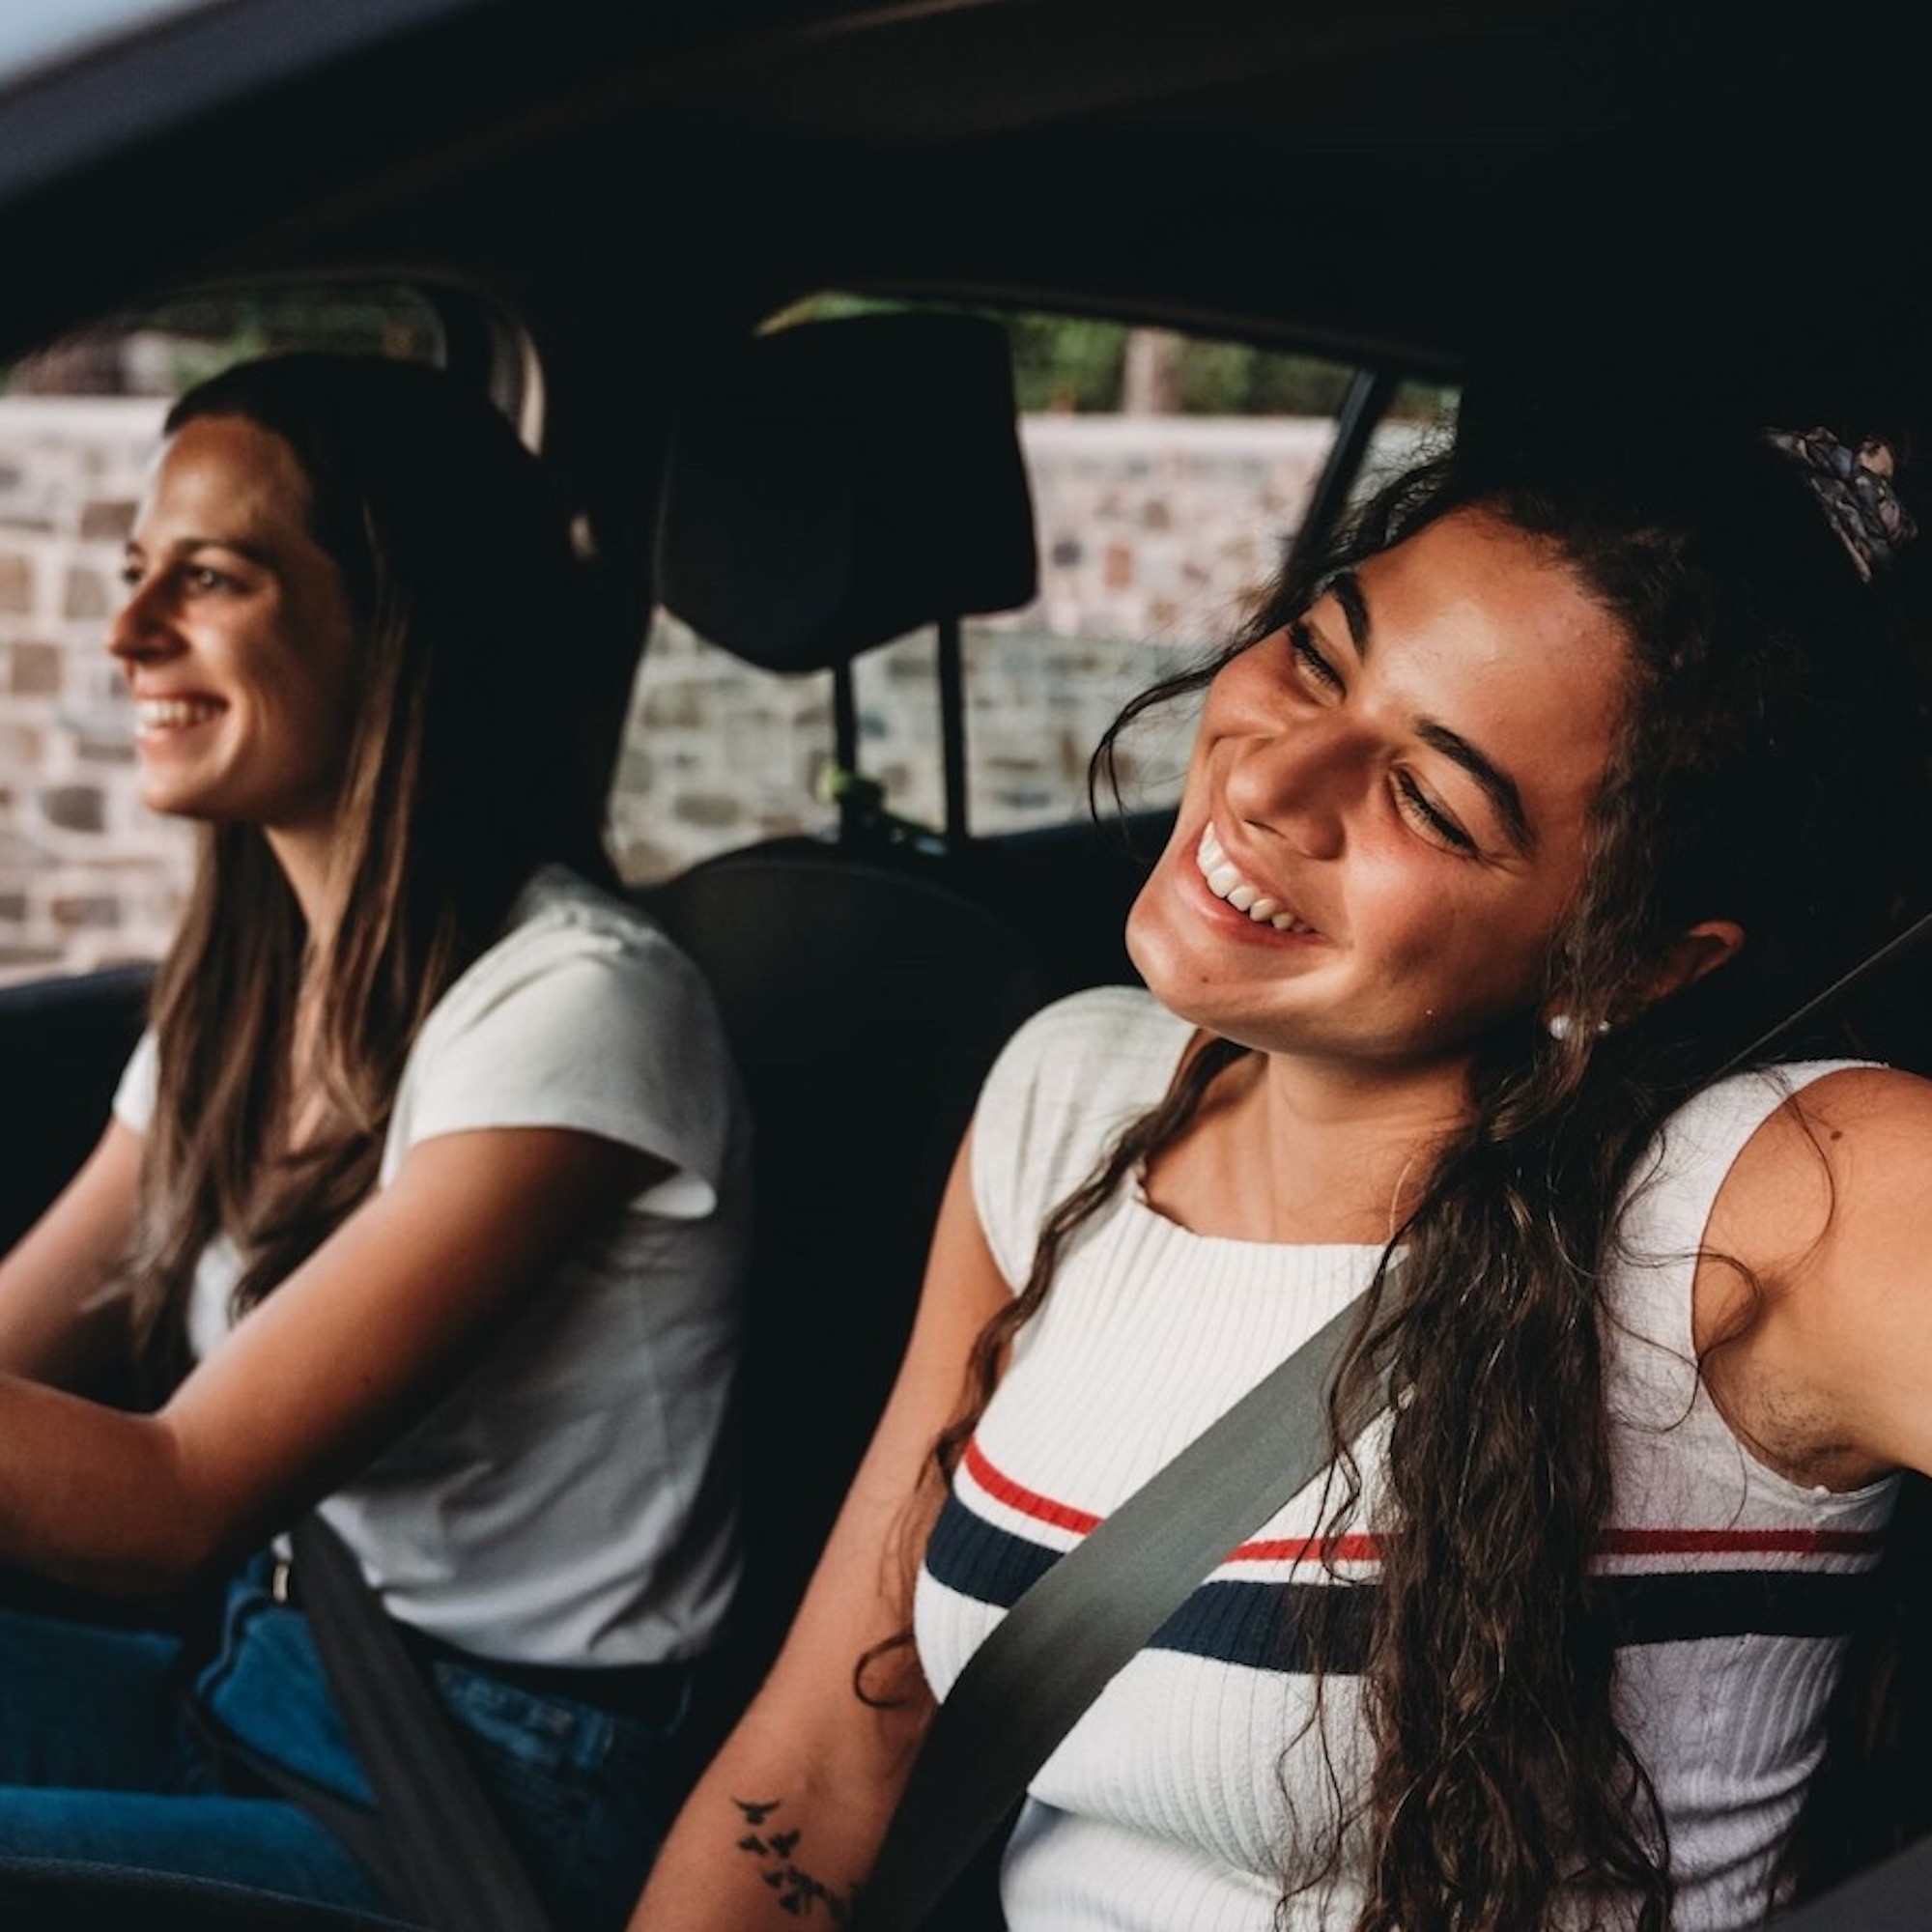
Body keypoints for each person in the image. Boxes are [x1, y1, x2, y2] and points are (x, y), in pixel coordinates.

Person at [631, 383, 1932, 1932]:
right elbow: (833, 1758)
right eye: (1318, 656)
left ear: (1635, 962)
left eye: (1431, 801)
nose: (1265, 780)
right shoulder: (1068, 1097)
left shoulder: (1779, 1200)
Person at [0, 352, 750, 1929]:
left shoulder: (580, 1009)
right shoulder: (250, 996)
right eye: (137, 573)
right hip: (268, 1678)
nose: (129, 634)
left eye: (212, 578)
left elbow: (170, 1503)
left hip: (486, 1800)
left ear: (397, 621)